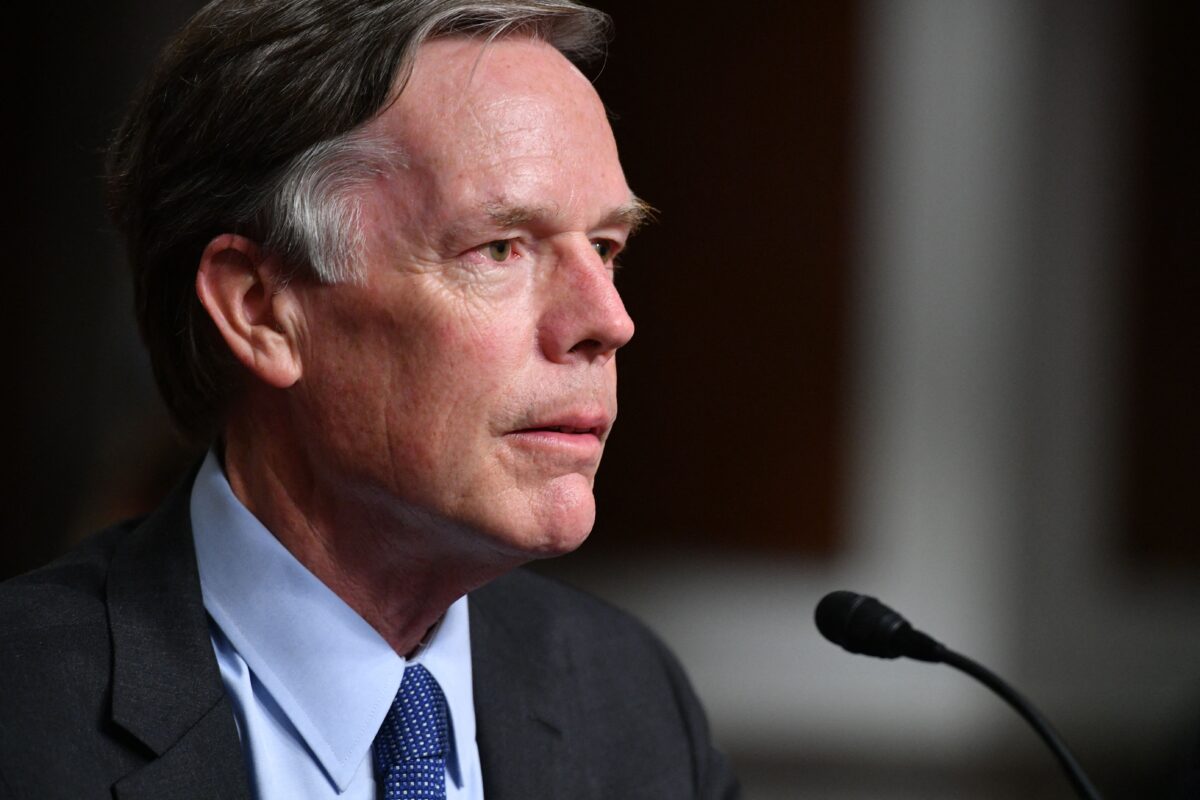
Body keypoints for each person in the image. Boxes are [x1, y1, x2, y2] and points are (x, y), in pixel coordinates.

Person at [0, 1, 739, 798]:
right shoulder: (24, 711)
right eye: (499, 248)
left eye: (604, 247)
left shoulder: (632, 705)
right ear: (261, 310)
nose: (608, 321)